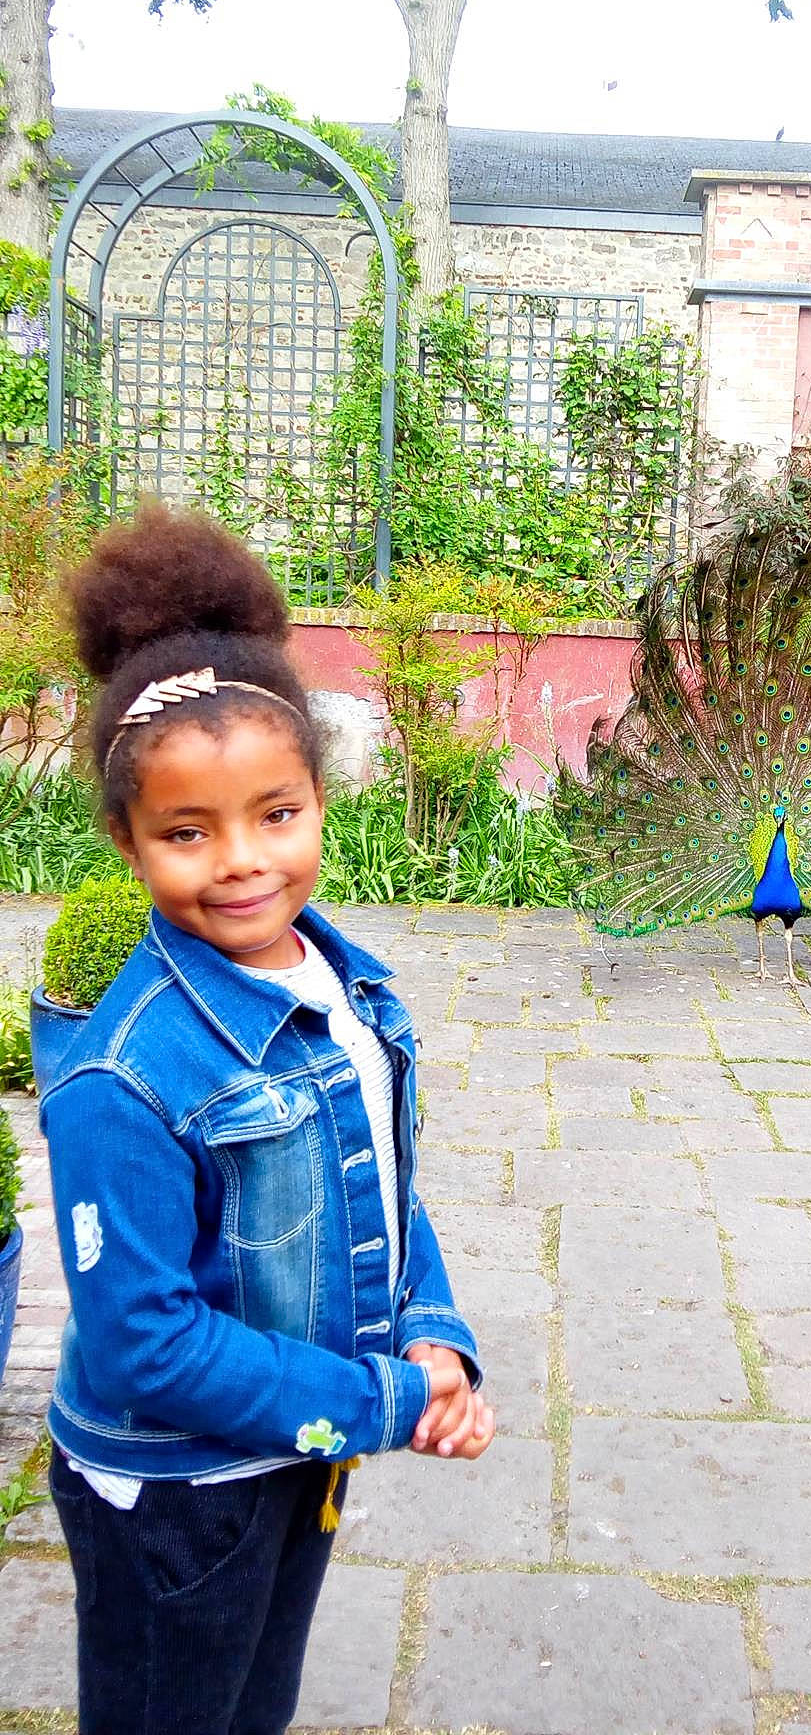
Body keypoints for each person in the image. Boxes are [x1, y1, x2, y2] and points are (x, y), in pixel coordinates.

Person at [34, 502, 494, 1735]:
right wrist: (386, 1398)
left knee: (254, 1707)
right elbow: (146, 1346)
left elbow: (377, 1192)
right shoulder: (121, 1080)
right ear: (129, 844)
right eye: (187, 830)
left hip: (299, 1453)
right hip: (178, 1497)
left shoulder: (348, 987)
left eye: (275, 812)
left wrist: (433, 1335)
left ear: (317, 800)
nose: (241, 858)